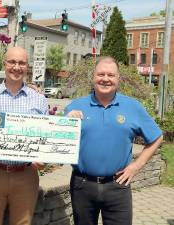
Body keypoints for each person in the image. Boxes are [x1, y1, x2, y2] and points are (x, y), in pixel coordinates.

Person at [64, 56, 163, 225]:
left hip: (117, 185)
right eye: (101, 74)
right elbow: (59, 142)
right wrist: (66, 123)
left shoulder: (133, 107)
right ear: (93, 77)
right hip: (82, 185)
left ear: (118, 79)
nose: (105, 79)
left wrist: (135, 166)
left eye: (111, 75)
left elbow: (156, 137)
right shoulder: (75, 106)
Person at [0, 47, 48, 225]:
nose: (17, 67)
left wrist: (43, 157)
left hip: (26, 174)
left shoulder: (39, 100)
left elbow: (44, 137)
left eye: (22, 63)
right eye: (12, 62)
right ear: (4, 64)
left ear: (27, 67)